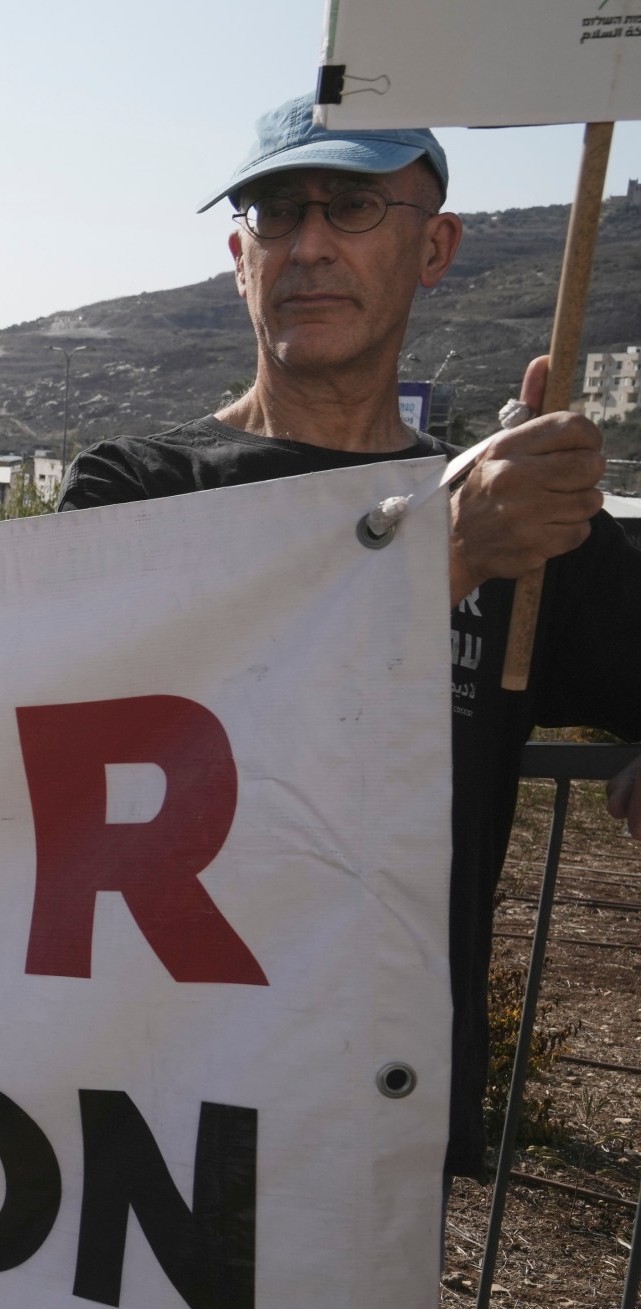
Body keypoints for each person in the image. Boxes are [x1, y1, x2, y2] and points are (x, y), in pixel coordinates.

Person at [60, 93, 641, 1183]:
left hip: (376, 1122)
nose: (310, 243)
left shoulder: (513, 515)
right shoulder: (133, 491)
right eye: (277, 214)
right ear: (240, 256)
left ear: (436, 245)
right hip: (134, 1096)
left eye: (352, 206)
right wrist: (441, 562)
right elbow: (97, 736)